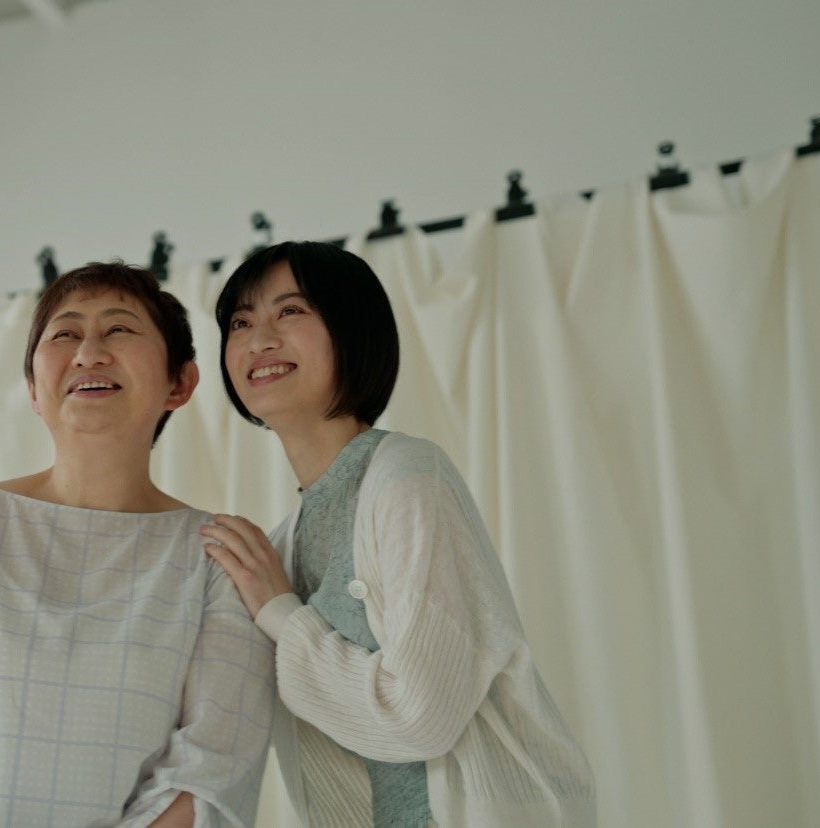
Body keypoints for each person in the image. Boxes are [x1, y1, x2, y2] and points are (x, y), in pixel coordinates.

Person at [0, 262, 275, 827]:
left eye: (119, 328)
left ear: (179, 382)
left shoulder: (219, 556)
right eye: (65, 334)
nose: (88, 353)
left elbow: (210, 772)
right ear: (34, 389)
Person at [199, 242, 595, 826]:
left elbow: (421, 719)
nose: (259, 339)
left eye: (291, 311)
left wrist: (282, 614)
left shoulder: (408, 478)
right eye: (240, 322)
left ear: (353, 331)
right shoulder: (281, 546)